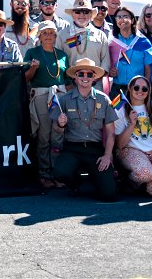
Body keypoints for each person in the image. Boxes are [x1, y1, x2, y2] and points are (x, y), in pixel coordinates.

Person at [50, 57, 118, 201]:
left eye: (89, 74)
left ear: (94, 78)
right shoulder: (64, 99)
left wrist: (107, 155)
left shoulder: (104, 99)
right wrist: (60, 124)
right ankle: (76, 184)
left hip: (95, 150)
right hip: (73, 148)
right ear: (75, 77)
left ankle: (96, 180)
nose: (85, 77)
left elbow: (111, 133)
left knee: (109, 194)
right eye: (81, 74)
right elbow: (56, 130)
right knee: (60, 172)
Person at [24, 21, 69, 188]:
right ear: (39, 36)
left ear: (56, 36)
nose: (48, 36)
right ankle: (44, 173)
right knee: (44, 136)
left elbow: (68, 80)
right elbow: (26, 79)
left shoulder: (62, 54)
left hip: (60, 97)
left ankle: (57, 173)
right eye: (45, 33)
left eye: (51, 33)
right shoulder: (32, 53)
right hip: (42, 96)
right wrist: (34, 68)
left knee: (58, 135)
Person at [114, 74, 152, 198]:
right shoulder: (121, 108)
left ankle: (142, 185)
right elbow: (120, 145)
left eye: (144, 89)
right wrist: (131, 124)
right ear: (130, 88)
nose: (140, 91)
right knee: (145, 173)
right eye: (136, 87)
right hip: (130, 150)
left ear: (148, 91)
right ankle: (128, 181)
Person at [108, 7, 152, 96]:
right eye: (119, 17)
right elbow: (106, 63)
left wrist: (147, 89)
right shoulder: (111, 41)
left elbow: (148, 70)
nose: (122, 19)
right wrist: (110, 71)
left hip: (137, 89)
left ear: (133, 19)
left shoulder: (143, 41)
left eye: (125, 16)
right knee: (116, 110)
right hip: (116, 88)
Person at [61, 0, 110, 81]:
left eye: (86, 12)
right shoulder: (62, 34)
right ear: (72, 14)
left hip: (95, 84)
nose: (82, 15)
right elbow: (59, 62)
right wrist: (68, 82)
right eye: (77, 12)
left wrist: (94, 80)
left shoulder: (101, 35)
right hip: (70, 85)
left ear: (91, 15)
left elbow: (105, 62)